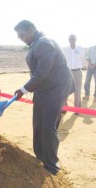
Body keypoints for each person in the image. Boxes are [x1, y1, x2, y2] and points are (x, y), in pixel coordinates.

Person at [13, 20, 74, 175]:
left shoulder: (44, 43)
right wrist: (29, 88)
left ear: (32, 29)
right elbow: (37, 73)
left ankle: (51, 165)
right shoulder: (35, 43)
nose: (21, 38)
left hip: (55, 88)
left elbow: (42, 72)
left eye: (22, 34)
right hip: (43, 89)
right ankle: (40, 157)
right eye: (19, 36)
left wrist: (23, 89)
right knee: (38, 123)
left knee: (48, 127)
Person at [63, 34, 85, 112]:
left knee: (77, 90)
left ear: (76, 39)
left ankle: (77, 109)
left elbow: (82, 59)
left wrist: (77, 65)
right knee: (65, 89)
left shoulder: (80, 49)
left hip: (77, 72)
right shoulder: (65, 49)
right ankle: (65, 107)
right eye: (70, 39)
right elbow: (64, 60)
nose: (72, 40)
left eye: (73, 38)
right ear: (68, 40)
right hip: (68, 72)